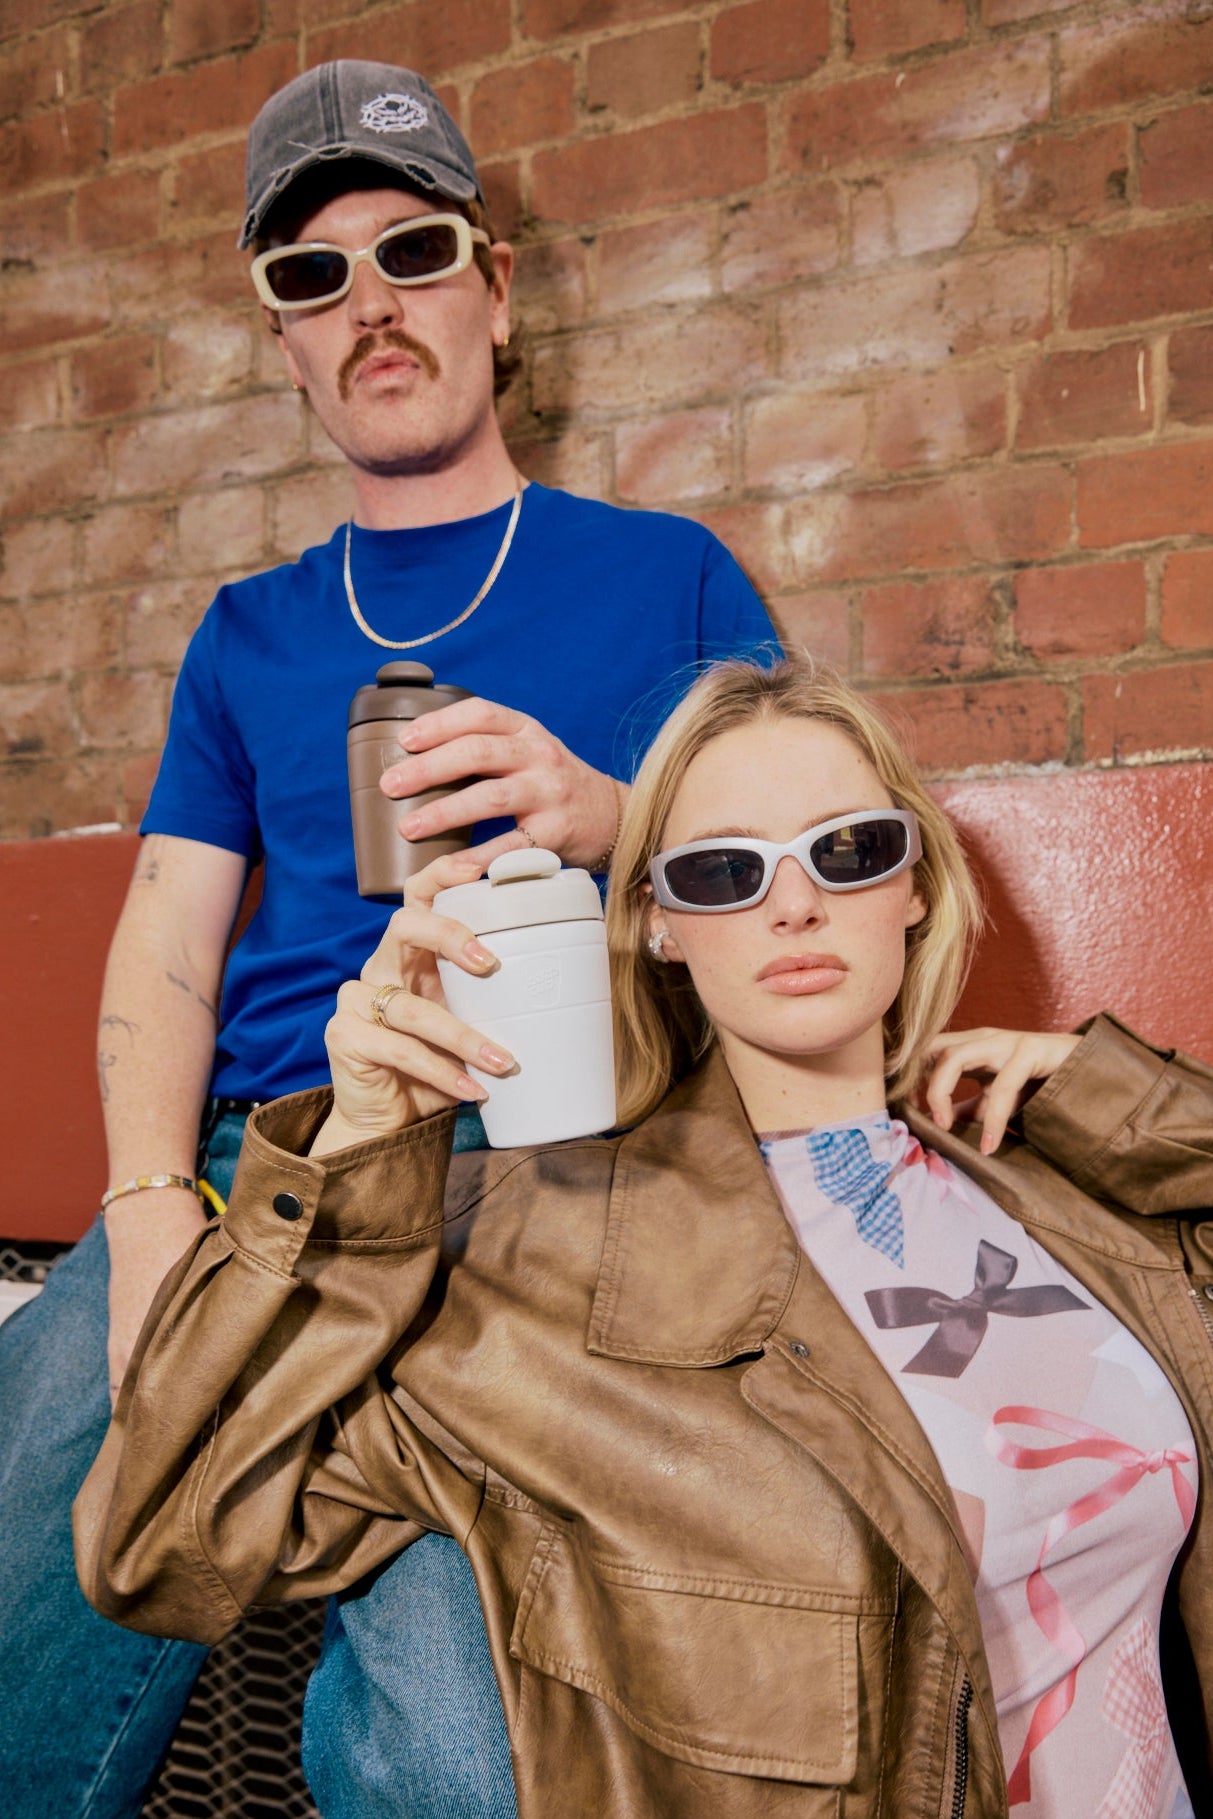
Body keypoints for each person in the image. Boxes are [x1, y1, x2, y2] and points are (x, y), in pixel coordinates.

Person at [0, 59, 775, 1819]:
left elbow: (816, 872)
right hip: (264, 1173)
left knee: (457, 1763)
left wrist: (603, 809)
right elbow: (167, 945)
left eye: (411, 251)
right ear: (281, 339)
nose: (368, 305)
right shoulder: (248, 632)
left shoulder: (668, 575)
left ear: (496, 289)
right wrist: (135, 1216)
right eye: (310, 275)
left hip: (561, 1175)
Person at [76, 656, 1212, 1818]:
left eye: (849, 848)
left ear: (913, 882)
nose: (794, 903)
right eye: (723, 869)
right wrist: (359, 1160)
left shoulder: (1064, 1195)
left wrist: (1119, 1095)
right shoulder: (540, 1262)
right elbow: (157, 1539)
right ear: (660, 923)